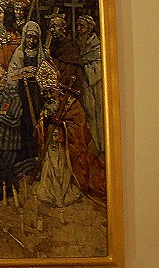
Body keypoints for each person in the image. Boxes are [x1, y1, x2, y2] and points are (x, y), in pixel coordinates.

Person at [34, 61, 106, 206]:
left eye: (51, 91)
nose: (48, 96)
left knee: (64, 171)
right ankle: (51, 194)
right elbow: (40, 125)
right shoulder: (47, 106)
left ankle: (67, 194)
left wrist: (63, 124)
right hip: (51, 147)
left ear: (57, 90)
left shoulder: (71, 104)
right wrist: (45, 122)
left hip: (66, 148)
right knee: (51, 169)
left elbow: (79, 126)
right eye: (45, 93)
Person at [6, 20, 46, 162]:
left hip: (37, 93)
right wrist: (23, 71)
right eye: (29, 37)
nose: (31, 41)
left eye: (34, 38)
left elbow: (46, 72)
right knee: (24, 121)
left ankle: (38, 151)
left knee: (38, 120)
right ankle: (25, 154)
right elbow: (12, 74)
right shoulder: (19, 53)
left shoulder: (41, 54)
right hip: (23, 93)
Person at [77, 14, 104, 154]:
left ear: (89, 28)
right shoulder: (79, 44)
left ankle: (101, 144)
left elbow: (98, 66)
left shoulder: (96, 45)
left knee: (99, 112)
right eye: (78, 26)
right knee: (89, 113)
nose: (78, 29)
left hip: (96, 82)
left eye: (82, 26)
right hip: (86, 84)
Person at [46, 12, 85, 93]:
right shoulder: (52, 45)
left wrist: (51, 60)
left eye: (54, 26)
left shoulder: (71, 47)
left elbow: (69, 71)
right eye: (50, 27)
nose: (52, 30)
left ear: (63, 28)